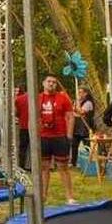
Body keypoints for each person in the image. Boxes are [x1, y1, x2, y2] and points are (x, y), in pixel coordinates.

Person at [38, 76, 76, 204]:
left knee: (63, 167)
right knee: (44, 167)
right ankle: (43, 196)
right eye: (49, 81)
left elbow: (70, 116)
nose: (51, 84)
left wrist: (69, 135)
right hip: (43, 137)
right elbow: (34, 117)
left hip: (60, 136)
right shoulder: (38, 98)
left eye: (54, 82)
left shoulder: (63, 98)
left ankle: (69, 196)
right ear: (43, 83)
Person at [71, 87, 96, 168]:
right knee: (74, 145)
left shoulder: (88, 103)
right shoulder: (77, 102)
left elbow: (81, 112)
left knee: (87, 145)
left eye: (81, 92)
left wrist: (77, 108)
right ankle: (73, 163)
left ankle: (91, 162)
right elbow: (73, 112)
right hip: (77, 127)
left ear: (86, 93)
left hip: (86, 127)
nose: (79, 94)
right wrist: (76, 108)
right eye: (78, 92)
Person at [14, 86, 30, 171]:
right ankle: (31, 166)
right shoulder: (38, 97)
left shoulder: (18, 99)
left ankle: (21, 165)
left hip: (23, 126)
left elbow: (16, 113)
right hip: (34, 126)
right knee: (33, 147)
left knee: (22, 147)